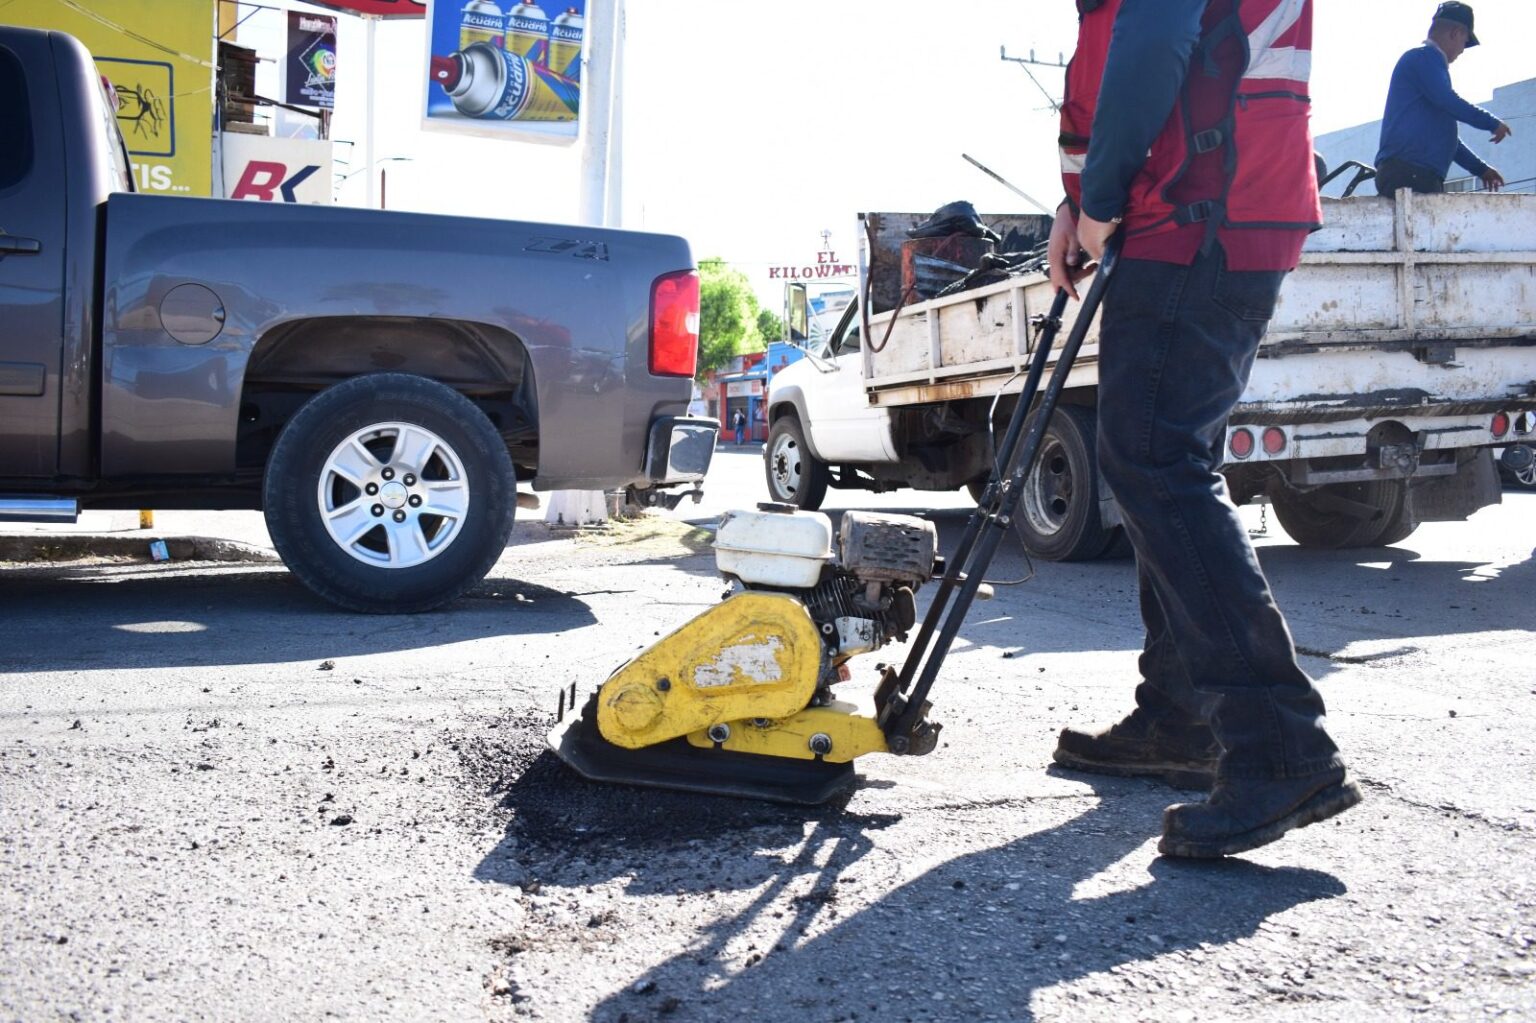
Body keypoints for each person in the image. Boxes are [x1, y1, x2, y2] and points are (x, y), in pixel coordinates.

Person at [1047, 0, 1360, 859]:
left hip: (1198, 217)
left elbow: (1153, 44)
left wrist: (1101, 197)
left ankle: (1281, 747)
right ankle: (1182, 716)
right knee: (1162, 461)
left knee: (1157, 460)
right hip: (1206, 211)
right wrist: (1077, 203)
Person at [1374, 2, 1511, 196]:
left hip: (1417, 173)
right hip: (1410, 171)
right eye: (1465, 42)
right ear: (1456, 33)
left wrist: (1481, 169)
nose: (1462, 50)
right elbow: (1448, 100)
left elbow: (1448, 138)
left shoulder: (1428, 68)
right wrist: (1490, 122)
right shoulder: (1424, 58)